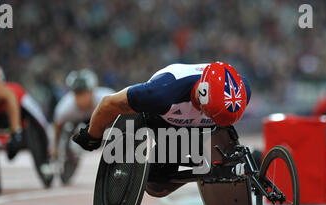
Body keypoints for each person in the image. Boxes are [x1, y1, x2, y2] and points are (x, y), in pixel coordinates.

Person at [72, 61, 251, 196]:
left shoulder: (242, 91)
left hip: (196, 130)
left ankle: (193, 160)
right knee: (157, 183)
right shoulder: (160, 94)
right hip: (162, 119)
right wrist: (92, 135)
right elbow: (108, 103)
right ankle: (167, 165)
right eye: (209, 113)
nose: (208, 117)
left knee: (179, 162)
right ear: (200, 94)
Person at [0, 63, 53, 187]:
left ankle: (43, 164)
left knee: (34, 129)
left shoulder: (16, 92)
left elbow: (38, 119)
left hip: (21, 133)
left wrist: (46, 150)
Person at [52, 68, 115, 158]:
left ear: (93, 91)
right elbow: (57, 125)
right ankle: (70, 153)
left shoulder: (106, 98)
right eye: (78, 94)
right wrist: (55, 148)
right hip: (77, 125)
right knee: (68, 127)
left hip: (101, 123)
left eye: (84, 93)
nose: (82, 99)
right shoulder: (65, 107)